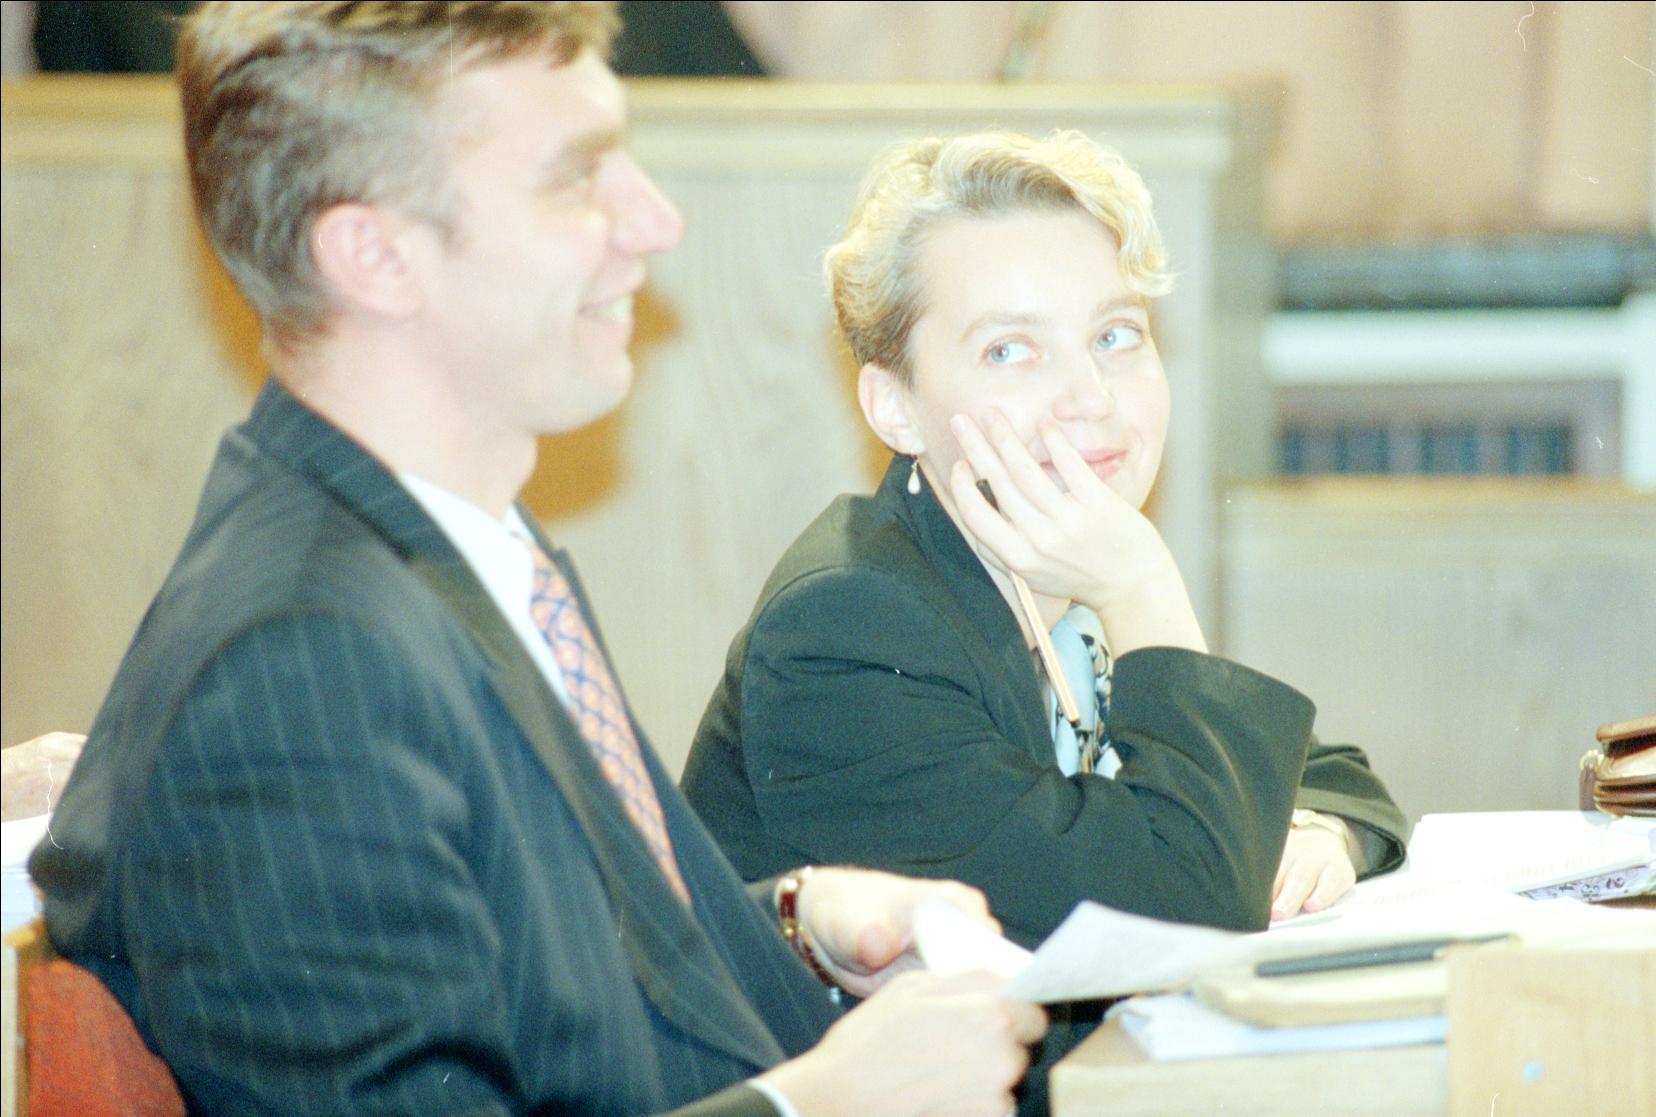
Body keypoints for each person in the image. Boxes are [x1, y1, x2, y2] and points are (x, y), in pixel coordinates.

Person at [27, 5, 1046, 1115]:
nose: (654, 221)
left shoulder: (453, 546)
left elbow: (532, 968)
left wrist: (800, 923)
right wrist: (826, 1102)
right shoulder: (298, 666)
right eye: (576, 177)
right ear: (374, 254)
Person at [681, 130, 1409, 954]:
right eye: (1010, 351)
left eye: (1116, 336)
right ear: (895, 407)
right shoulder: (848, 632)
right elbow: (1183, 903)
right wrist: (1140, 585)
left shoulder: (1051, 568)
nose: (1091, 397)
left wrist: (1318, 832)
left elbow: (1331, 774)